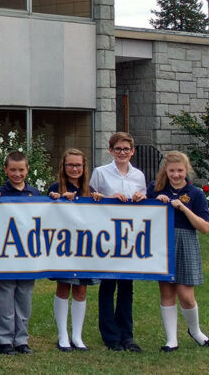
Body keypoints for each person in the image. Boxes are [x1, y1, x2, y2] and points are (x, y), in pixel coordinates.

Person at [89, 132, 147, 353]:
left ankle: (127, 335)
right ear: (111, 151)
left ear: (132, 151)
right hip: (107, 236)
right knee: (107, 286)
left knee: (126, 287)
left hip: (129, 238)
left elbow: (143, 204)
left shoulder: (138, 175)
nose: (122, 152)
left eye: (126, 149)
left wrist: (142, 197)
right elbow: (92, 199)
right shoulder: (100, 173)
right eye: (118, 149)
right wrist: (108, 197)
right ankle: (111, 336)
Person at [149, 151, 209, 351]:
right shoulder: (155, 189)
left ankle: (195, 330)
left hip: (186, 240)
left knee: (186, 295)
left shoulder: (196, 194)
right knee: (167, 292)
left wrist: (182, 208)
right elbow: (142, 213)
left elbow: (204, 227)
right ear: (165, 170)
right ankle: (171, 339)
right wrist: (155, 202)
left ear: (186, 170)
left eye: (180, 171)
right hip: (162, 241)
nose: (176, 175)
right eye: (172, 170)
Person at [48, 148, 103, 352]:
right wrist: (57, 198)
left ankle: (77, 336)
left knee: (81, 289)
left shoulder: (89, 190)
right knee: (63, 287)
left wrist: (100, 200)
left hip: (84, 248)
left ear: (84, 167)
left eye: (78, 165)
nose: (74, 168)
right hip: (63, 246)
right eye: (70, 165)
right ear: (63, 167)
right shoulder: (56, 187)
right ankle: (63, 335)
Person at [0, 151, 42, 355]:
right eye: (13, 170)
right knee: (4, 300)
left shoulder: (36, 194)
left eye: (21, 170)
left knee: (24, 299)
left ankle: (21, 339)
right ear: (5, 170)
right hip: (4, 255)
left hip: (28, 256)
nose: (17, 174)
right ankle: (4, 340)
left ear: (27, 170)